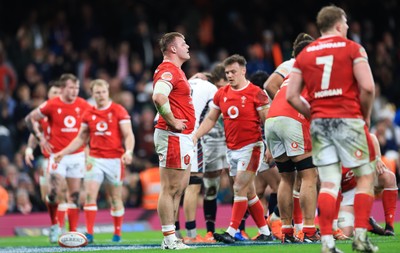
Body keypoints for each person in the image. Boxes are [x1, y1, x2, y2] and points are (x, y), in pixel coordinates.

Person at [287, 5, 378, 253]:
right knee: (366, 177)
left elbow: (292, 95)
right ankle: (360, 237)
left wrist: (313, 113)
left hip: (320, 125)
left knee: (328, 183)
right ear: (339, 25)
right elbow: (368, 88)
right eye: (346, 23)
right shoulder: (352, 48)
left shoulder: (305, 54)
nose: (347, 27)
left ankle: (327, 242)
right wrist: (365, 117)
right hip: (348, 119)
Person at [194, 54, 272, 244]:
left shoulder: (256, 93)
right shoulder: (222, 94)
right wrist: (196, 135)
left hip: (252, 147)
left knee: (238, 187)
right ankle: (265, 232)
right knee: (249, 192)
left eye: (233, 72)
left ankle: (231, 230)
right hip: (232, 149)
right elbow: (211, 118)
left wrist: (271, 146)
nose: (229, 75)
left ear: (243, 71)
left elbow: (268, 122)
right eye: (227, 72)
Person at [54, 79, 135, 243]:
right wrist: (63, 152)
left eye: (103, 92)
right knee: (90, 195)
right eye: (97, 93)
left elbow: (128, 134)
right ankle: (89, 233)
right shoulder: (88, 114)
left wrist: (129, 151)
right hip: (95, 158)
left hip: (114, 159)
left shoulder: (118, 110)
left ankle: (117, 233)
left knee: (115, 198)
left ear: (108, 91)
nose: (101, 95)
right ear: (92, 94)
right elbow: (80, 139)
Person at [264, 35, 321, 244]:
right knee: (309, 176)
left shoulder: (291, 71)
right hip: (292, 119)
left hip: (271, 120)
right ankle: (308, 229)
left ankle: (286, 231)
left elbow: (271, 86)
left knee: (287, 177)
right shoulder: (314, 68)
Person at [25, 73, 91, 240]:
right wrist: (39, 139)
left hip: (76, 155)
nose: (75, 91)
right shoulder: (52, 105)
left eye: (76, 87)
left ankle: (73, 231)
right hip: (56, 156)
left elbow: (92, 126)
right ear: (62, 89)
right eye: (71, 87)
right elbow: (29, 119)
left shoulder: (83, 105)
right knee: (53, 193)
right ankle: (55, 225)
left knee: (74, 196)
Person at [152, 32, 195, 250]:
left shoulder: (176, 71)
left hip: (181, 137)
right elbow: (159, 97)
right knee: (170, 188)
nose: (187, 46)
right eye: (183, 43)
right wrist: (172, 121)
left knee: (179, 188)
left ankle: (172, 236)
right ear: (173, 49)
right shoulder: (168, 69)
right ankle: (169, 238)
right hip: (173, 136)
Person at [24, 81, 69, 239]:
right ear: (49, 96)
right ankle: (54, 224)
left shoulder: (66, 113)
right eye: (54, 93)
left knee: (61, 192)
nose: (56, 96)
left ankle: (61, 227)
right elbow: (34, 134)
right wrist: (29, 149)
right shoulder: (44, 115)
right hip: (46, 159)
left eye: (59, 93)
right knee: (48, 197)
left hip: (63, 158)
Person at [176, 73, 217, 244]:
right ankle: (192, 234)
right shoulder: (210, 88)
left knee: (172, 188)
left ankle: (173, 234)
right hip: (189, 136)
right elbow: (214, 115)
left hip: (166, 133)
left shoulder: (181, 82)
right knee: (193, 186)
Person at [338, 133, 398, 237]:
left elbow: (372, 137)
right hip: (344, 194)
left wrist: (378, 158)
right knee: (345, 233)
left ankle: (389, 226)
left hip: (361, 182)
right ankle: (365, 223)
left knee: (389, 177)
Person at [201, 64, 231, 242]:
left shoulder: (236, 93)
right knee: (211, 188)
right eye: (220, 86)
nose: (223, 90)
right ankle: (210, 231)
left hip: (232, 144)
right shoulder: (209, 96)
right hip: (211, 144)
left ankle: (239, 229)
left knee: (239, 186)